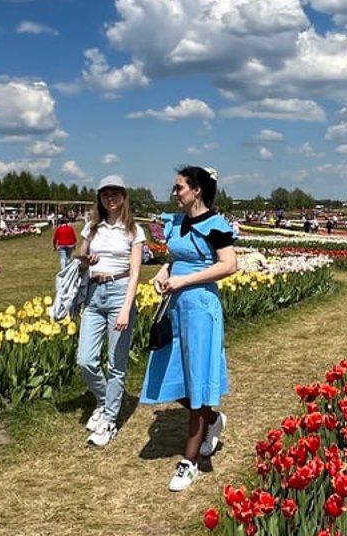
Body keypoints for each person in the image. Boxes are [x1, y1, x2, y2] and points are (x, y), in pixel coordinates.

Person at [141, 166, 237, 492]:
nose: (174, 192)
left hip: (200, 307)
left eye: (179, 187)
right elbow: (175, 256)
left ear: (196, 190)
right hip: (175, 305)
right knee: (173, 373)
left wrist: (185, 279)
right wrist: (164, 271)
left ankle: (190, 461)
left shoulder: (216, 225)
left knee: (197, 376)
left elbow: (228, 265)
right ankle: (211, 420)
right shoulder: (177, 222)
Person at [75, 175, 146, 447]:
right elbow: (79, 263)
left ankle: (110, 420)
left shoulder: (133, 230)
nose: (111, 198)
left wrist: (127, 308)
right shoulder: (92, 228)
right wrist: (85, 262)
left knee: (116, 365)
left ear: (124, 197)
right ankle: (105, 400)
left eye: (116, 193)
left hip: (119, 293)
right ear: (100, 198)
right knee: (86, 360)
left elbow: (136, 271)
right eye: (105, 194)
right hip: (94, 294)